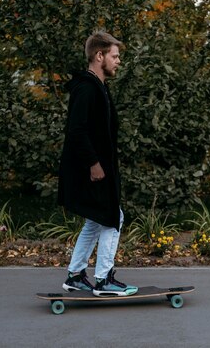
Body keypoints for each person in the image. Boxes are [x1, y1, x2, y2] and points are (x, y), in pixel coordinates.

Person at [57, 31, 138, 297]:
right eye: (114, 56)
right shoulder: (86, 88)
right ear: (98, 55)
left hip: (98, 167)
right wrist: (94, 164)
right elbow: (76, 130)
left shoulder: (99, 86)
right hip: (91, 169)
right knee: (114, 217)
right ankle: (103, 280)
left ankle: (75, 275)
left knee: (96, 220)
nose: (118, 61)